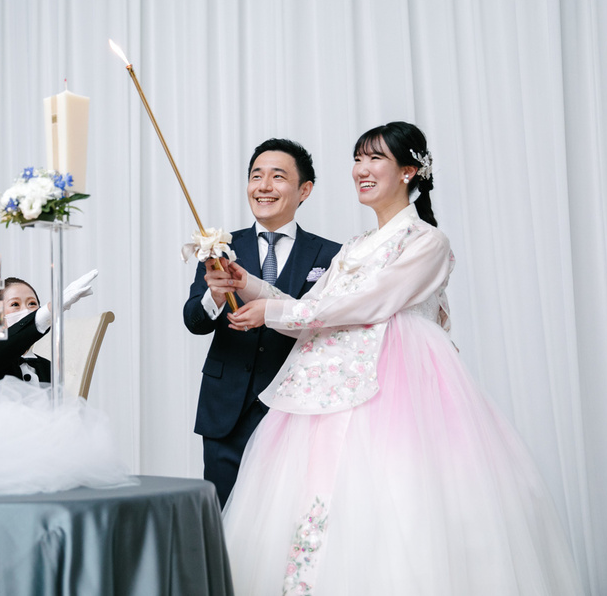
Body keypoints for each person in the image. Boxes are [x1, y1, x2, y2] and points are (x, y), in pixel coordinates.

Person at [217, 122, 584, 594]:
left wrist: (273, 311)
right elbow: (312, 310)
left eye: (375, 159)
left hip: (398, 390)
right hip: (328, 392)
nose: (361, 170)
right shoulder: (354, 247)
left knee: (399, 500)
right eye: (357, 159)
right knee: (319, 499)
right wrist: (246, 282)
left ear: (409, 171)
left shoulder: (426, 241)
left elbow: (370, 304)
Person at [183, 139, 341, 507]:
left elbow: (327, 326)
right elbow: (194, 321)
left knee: (286, 516)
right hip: (226, 409)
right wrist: (215, 296)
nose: (264, 186)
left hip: (296, 408)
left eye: (277, 177)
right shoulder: (220, 248)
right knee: (223, 516)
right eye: (256, 176)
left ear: (305, 190)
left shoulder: (331, 254)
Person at [0, 271, 97, 404]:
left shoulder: (47, 367)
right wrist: (51, 309)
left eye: (32, 304)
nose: (26, 311)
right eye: (15, 304)